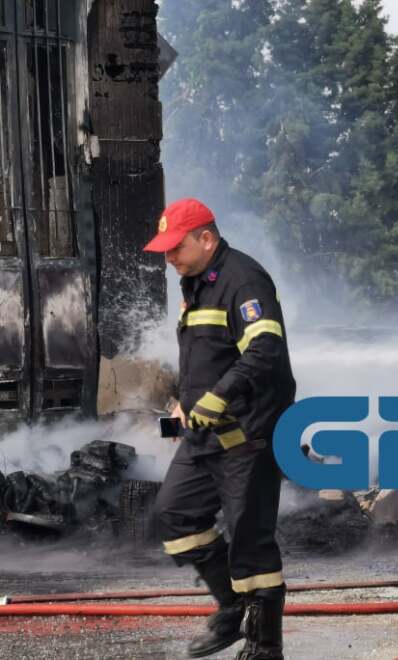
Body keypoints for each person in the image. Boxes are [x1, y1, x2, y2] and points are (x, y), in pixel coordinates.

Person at [145, 198, 295, 660]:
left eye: (176, 248)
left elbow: (265, 350)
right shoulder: (196, 283)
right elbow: (204, 355)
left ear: (206, 238)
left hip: (249, 436)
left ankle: (265, 646)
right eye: (166, 250)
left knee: (251, 541)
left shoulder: (243, 280)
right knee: (174, 515)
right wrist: (181, 399)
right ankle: (232, 609)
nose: (169, 258)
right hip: (205, 434)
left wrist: (218, 397)